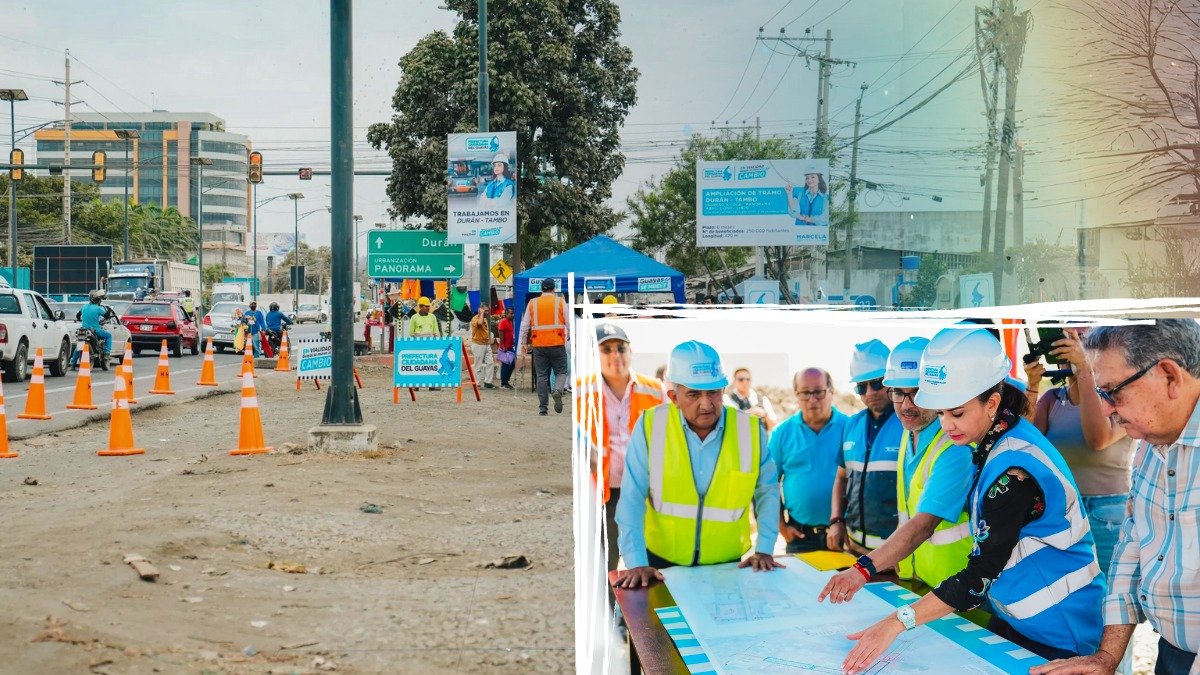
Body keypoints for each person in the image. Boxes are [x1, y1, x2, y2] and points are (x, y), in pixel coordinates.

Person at [842, 327, 1103, 673]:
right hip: (1022, 619)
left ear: (992, 402)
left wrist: (895, 622)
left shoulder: (1013, 471)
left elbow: (979, 576)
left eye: (957, 413)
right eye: (941, 413)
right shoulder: (998, 437)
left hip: (1059, 632)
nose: (947, 426)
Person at [1032, 319, 1200, 675]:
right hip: (1171, 652)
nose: (1106, 408)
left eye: (1112, 392)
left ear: (1169, 376)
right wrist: (1107, 656)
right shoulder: (1150, 448)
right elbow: (1133, 544)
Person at [613, 340, 782, 588]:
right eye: (693, 394)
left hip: (728, 565)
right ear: (674, 396)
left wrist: (765, 547)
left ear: (723, 389)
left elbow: (767, 492)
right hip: (660, 563)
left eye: (713, 392)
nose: (706, 404)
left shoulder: (750, 430)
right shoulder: (651, 426)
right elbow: (631, 497)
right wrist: (636, 561)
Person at [818, 337, 974, 603]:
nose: (906, 404)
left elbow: (923, 525)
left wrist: (862, 569)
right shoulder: (909, 432)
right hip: (917, 580)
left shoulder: (954, 447)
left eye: (916, 392)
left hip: (956, 589)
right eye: (898, 393)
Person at [1024, 327, 1132, 577]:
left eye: (1083, 340)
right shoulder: (1052, 399)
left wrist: (1083, 369)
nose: (1075, 347)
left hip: (1107, 514)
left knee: (1109, 600)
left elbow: (1098, 439)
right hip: (1061, 509)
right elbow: (1025, 445)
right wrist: (1032, 385)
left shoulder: (1120, 398)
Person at [577, 323, 667, 599]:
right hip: (604, 493)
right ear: (596, 354)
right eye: (607, 349)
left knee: (647, 562)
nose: (615, 355)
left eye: (620, 348)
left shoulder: (654, 391)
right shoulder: (581, 392)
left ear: (631, 351)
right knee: (606, 562)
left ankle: (647, 622)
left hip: (646, 493)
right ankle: (612, 621)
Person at [829, 340, 903, 556]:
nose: (870, 392)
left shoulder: (909, 425)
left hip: (895, 555)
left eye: (877, 383)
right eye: (862, 387)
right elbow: (841, 478)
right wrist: (836, 520)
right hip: (854, 550)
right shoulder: (851, 425)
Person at [770, 367, 849, 553]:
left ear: (831, 392)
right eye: (805, 393)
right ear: (796, 395)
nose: (812, 399)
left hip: (845, 536)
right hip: (800, 537)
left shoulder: (851, 428)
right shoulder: (782, 433)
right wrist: (781, 525)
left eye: (819, 392)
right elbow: (768, 483)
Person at [517, 278, 569, 416]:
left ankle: (543, 408)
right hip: (557, 343)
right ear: (554, 289)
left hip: (539, 345)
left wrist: (523, 342)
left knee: (541, 375)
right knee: (561, 371)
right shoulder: (560, 302)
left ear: (541, 289)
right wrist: (570, 339)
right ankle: (557, 390)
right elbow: (570, 324)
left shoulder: (533, 303)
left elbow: (525, 325)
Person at [71, 290, 115, 368]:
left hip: (83, 330)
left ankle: (72, 364)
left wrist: (81, 319)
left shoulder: (84, 307)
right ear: (97, 300)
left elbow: (78, 315)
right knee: (109, 336)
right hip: (95, 330)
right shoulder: (98, 308)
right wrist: (109, 309)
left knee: (79, 345)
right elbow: (106, 315)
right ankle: (107, 354)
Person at [469, 304, 496, 389]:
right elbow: (479, 323)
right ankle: (477, 383)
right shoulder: (475, 319)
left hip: (486, 344)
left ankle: (488, 382)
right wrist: (481, 313)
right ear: (480, 310)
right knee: (478, 364)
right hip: (478, 344)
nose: (487, 312)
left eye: (487, 311)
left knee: (490, 362)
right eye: (485, 310)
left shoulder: (485, 319)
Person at [496, 307, 516, 390]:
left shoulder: (511, 322)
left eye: (513, 313)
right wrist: (503, 345)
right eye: (511, 313)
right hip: (505, 348)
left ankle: (506, 381)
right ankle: (503, 383)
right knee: (505, 365)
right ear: (506, 314)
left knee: (512, 364)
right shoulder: (503, 321)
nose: (512, 315)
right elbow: (501, 333)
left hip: (510, 347)